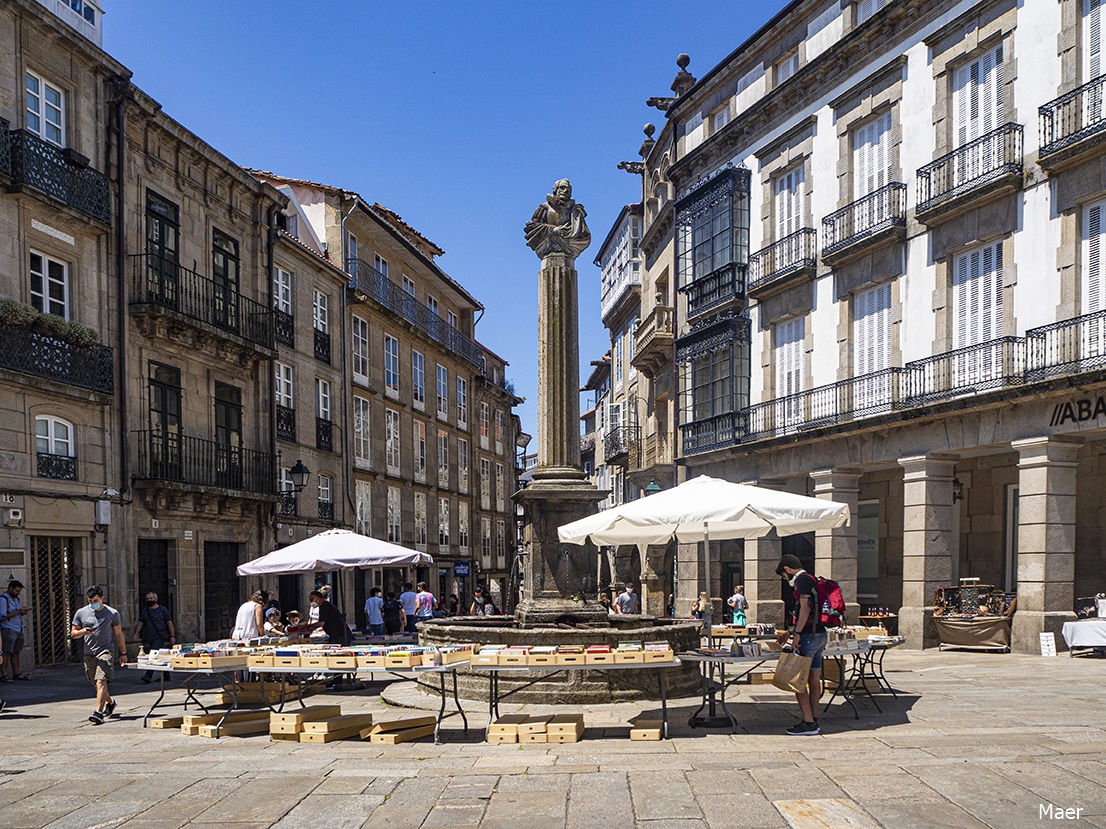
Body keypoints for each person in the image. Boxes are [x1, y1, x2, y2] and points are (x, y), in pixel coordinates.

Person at [776, 553, 826, 736]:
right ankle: (813, 718)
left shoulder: (802, 581)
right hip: (820, 634)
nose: (785, 579)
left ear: (787, 570)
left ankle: (808, 723)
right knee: (814, 679)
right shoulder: (813, 578)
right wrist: (789, 631)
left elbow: (805, 608)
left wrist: (796, 633)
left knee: (798, 681)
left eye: (784, 575)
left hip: (807, 637)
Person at [71, 586, 127, 725]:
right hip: (89, 653)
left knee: (101, 680)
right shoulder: (81, 613)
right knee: (95, 682)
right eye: (90, 601)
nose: (93, 603)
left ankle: (98, 713)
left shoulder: (112, 613)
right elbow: (73, 633)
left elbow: (119, 634)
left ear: (102, 598)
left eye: (95, 600)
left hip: (106, 651)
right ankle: (110, 702)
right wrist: (83, 631)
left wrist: (123, 653)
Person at [524, 179, 592, 259]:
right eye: (562, 188)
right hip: (548, 250)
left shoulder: (576, 211)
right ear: (555, 190)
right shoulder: (545, 207)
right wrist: (552, 229)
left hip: (569, 253)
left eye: (568, 190)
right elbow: (535, 227)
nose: (566, 191)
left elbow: (585, 237)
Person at [133, 591, 175, 684]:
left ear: (156, 599)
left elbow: (169, 622)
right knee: (160, 655)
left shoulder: (163, 610)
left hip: (160, 636)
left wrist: (172, 635)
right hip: (149, 637)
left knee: (153, 654)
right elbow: (140, 622)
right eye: (147, 599)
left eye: (151, 598)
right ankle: (166, 675)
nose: (149, 600)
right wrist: (136, 633)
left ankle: (148, 675)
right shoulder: (145, 611)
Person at [0, 580, 30, 681]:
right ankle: (4, 674)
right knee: (6, 652)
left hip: (18, 628)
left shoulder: (16, 599)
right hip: (8, 628)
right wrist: (18, 612)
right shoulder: (3, 600)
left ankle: (16, 672)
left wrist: (22, 612)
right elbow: (3, 616)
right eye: (17, 591)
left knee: (16, 651)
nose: (18, 593)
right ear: (11, 589)